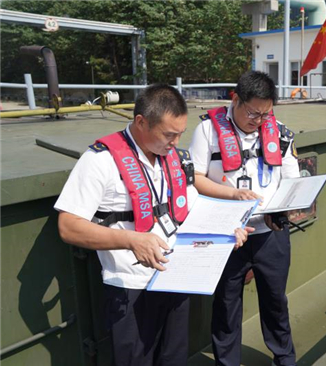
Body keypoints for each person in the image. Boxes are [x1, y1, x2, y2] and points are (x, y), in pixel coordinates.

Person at [55, 84, 250, 366]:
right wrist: (131, 240)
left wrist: (226, 229)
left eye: (180, 134)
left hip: (176, 280)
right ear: (141, 122)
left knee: (173, 359)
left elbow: (192, 209)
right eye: (169, 135)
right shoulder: (100, 161)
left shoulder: (174, 159)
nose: (175, 142)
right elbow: (68, 226)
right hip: (131, 288)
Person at [189, 71, 299, 366]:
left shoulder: (281, 132)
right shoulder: (207, 131)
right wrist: (232, 196)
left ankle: (284, 358)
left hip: (270, 233)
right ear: (235, 99)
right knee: (226, 304)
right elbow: (196, 179)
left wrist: (285, 209)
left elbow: (291, 180)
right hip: (226, 234)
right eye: (252, 112)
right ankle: (226, 362)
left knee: (276, 301)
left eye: (265, 114)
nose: (258, 120)